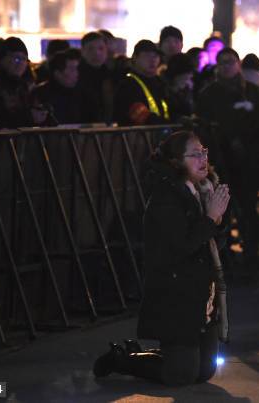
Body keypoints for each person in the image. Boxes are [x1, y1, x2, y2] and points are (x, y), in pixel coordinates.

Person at [93, 131, 230, 386]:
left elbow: (213, 244)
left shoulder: (202, 190)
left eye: (204, 152)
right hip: (175, 295)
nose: (203, 159)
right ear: (176, 162)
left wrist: (217, 221)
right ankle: (124, 359)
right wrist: (210, 219)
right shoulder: (166, 196)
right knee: (181, 374)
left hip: (201, 294)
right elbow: (181, 246)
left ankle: (161, 356)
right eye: (194, 155)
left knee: (204, 371)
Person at [196, 47, 259, 271]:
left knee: (248, 210)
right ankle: (223, 259)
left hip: (248, 161)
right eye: (222, 62)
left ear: (238, 64)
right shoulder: (208, 94)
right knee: (221, 212)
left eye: (230, 61)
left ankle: (251, 257)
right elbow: (204, 127)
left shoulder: (255, 93)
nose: (226, 66)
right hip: (220, 161)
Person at [31, 48, 100, 125]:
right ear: (57, 73)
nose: (77, 73)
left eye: (76, 68)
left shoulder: (84, 93)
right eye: (72, 69)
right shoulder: (41, 93)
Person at [114, 40, 170, 126]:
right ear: (135, 58)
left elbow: (171, 107)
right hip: (136, 137)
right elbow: (140, 115)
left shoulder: (160, 83)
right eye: (147, 56)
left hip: (160, 135)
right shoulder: (128, 85)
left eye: (155, 56)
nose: (153, 60)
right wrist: (170, 125)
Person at [79, 31, 114, 123]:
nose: (96, 53)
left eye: (101, 48)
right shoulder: (76, 76)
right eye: (90, 49)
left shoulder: (112, 75)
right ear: (82, 51)